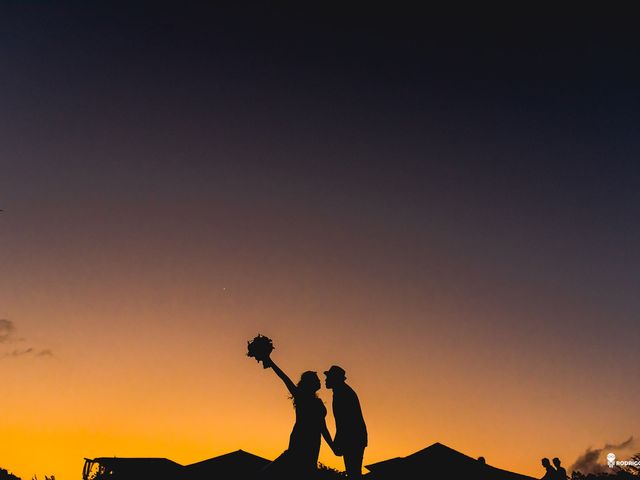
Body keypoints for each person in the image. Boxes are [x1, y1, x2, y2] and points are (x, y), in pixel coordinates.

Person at [260, 355, 334, 478]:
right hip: (300, 441)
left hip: (313, 444)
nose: (319, 381)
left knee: (304, 472)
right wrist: (270, 362)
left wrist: (333, 447)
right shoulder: (301, 397)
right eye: (316, 379)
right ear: (310, 383)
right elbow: (285, 378)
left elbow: (323, 427)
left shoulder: (319, 403)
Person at [324, 365, 368, 479]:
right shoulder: (341, 391)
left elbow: (345, 422)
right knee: (353, 473)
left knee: (353, 474)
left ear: (335, 379)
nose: (325, 380)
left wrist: (338, 441)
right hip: (354, 437)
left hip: (353, 437)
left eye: (328, 377)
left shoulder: (342, 393)